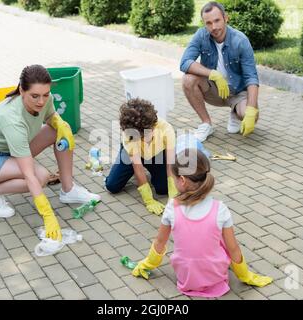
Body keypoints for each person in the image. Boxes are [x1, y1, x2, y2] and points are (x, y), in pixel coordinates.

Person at [0, 65, 100, 241]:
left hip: (13, 147)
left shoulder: (46, 99)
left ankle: (68, 190)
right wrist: (47, 215)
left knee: (61, 130)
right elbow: (28, 175)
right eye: (35, 96)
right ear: (22, 90)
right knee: (40, 177)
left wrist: (59, 123)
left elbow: (50, 117)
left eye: (45, 94)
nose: (41, 101)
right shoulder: (12, 119)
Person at [131, 149, 272, 297]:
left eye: (173, 178)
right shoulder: (220, 209)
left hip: (186, 280)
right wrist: (245, 275)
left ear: (182, 180)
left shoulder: (172, 207)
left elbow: (160, 243)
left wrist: (147, 264)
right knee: (223, 241)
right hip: (216, 279)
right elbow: (234, 249)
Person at [180, 1, 260, 142]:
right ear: (204, 23)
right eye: (209, 23)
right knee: (188, 79)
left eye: (217, 21)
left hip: (237, 91)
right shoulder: (201, 36)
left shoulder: (240, 40)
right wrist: (213, 74)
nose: (214, 27)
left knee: (252, 116)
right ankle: (206, 124)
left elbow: (251, 77)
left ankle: (236, 112)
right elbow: (185, 62)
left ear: (226, 18)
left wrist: (251, 110)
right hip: (214, 89)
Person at [105, 98, 178, 216]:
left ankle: (153, 172)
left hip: (157, 155)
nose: (146, 138)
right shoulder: (130, 134)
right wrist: (148, 200)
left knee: (163, 189)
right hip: (133, 156)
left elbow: (171, 164)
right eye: (142, 137)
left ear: (153, 125)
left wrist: (174, 196)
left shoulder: (166, 128)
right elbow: (138, 168)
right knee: (112, 186)